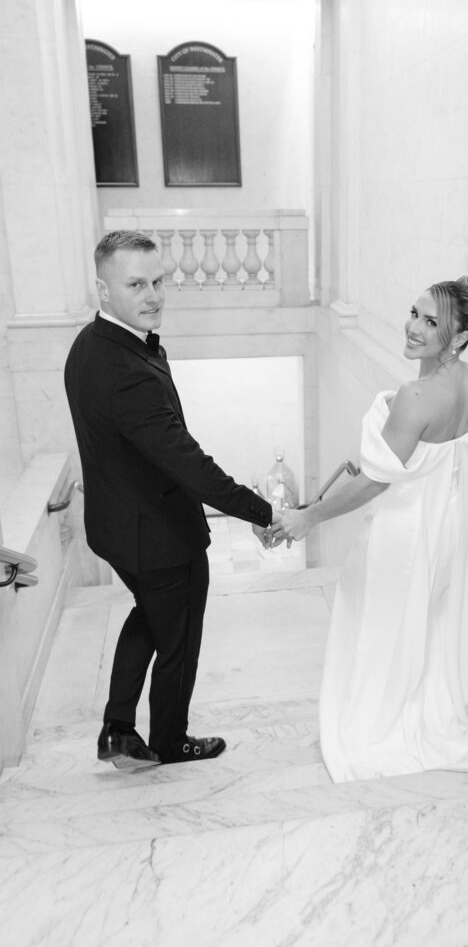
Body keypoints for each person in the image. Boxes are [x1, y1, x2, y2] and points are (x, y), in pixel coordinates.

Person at [273, 277, 468, 782]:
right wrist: (453, 509)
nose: (414, 328)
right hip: (442, 539)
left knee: (379, 626)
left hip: (398, 536)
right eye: (414, 313)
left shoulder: (416, 397)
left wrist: (309, 517)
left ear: (458, 337)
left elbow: (373, 482)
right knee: (423, 628)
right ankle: (413, 716)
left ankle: (373, 728)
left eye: (431, 322)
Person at [64, 230, 278, 770]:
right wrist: (265, 512)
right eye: (136, 283)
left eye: (158, 281)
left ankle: (117, 729)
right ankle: (168, 741)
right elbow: (189, 464)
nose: (153, 294)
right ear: (103, 290)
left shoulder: (90, 346)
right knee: (177, 639)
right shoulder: (128, 372)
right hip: (160, 536)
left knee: (150, 615)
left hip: (116, 527)